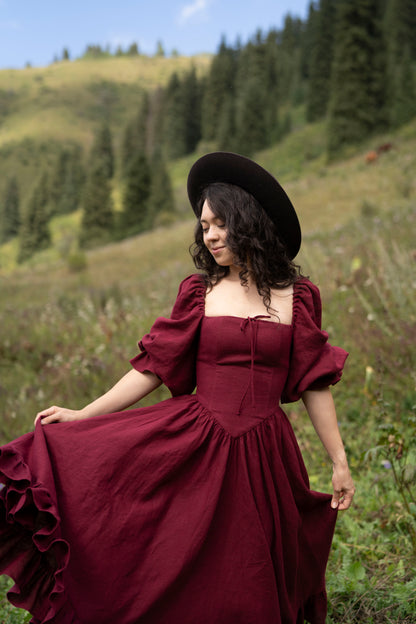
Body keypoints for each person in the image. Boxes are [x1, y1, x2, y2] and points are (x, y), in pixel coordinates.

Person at [0, 152, 354, 624]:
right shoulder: (199, 293)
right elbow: (152, 368)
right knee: (173, 558)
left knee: (253, 574)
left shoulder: (298, 298)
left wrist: (339, 462)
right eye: (203, 226)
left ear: (247, 221)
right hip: (196, 443)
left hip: (266, 455)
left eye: (219, 223)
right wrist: (86, 414)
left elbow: (315, 384)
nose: (209, 235)